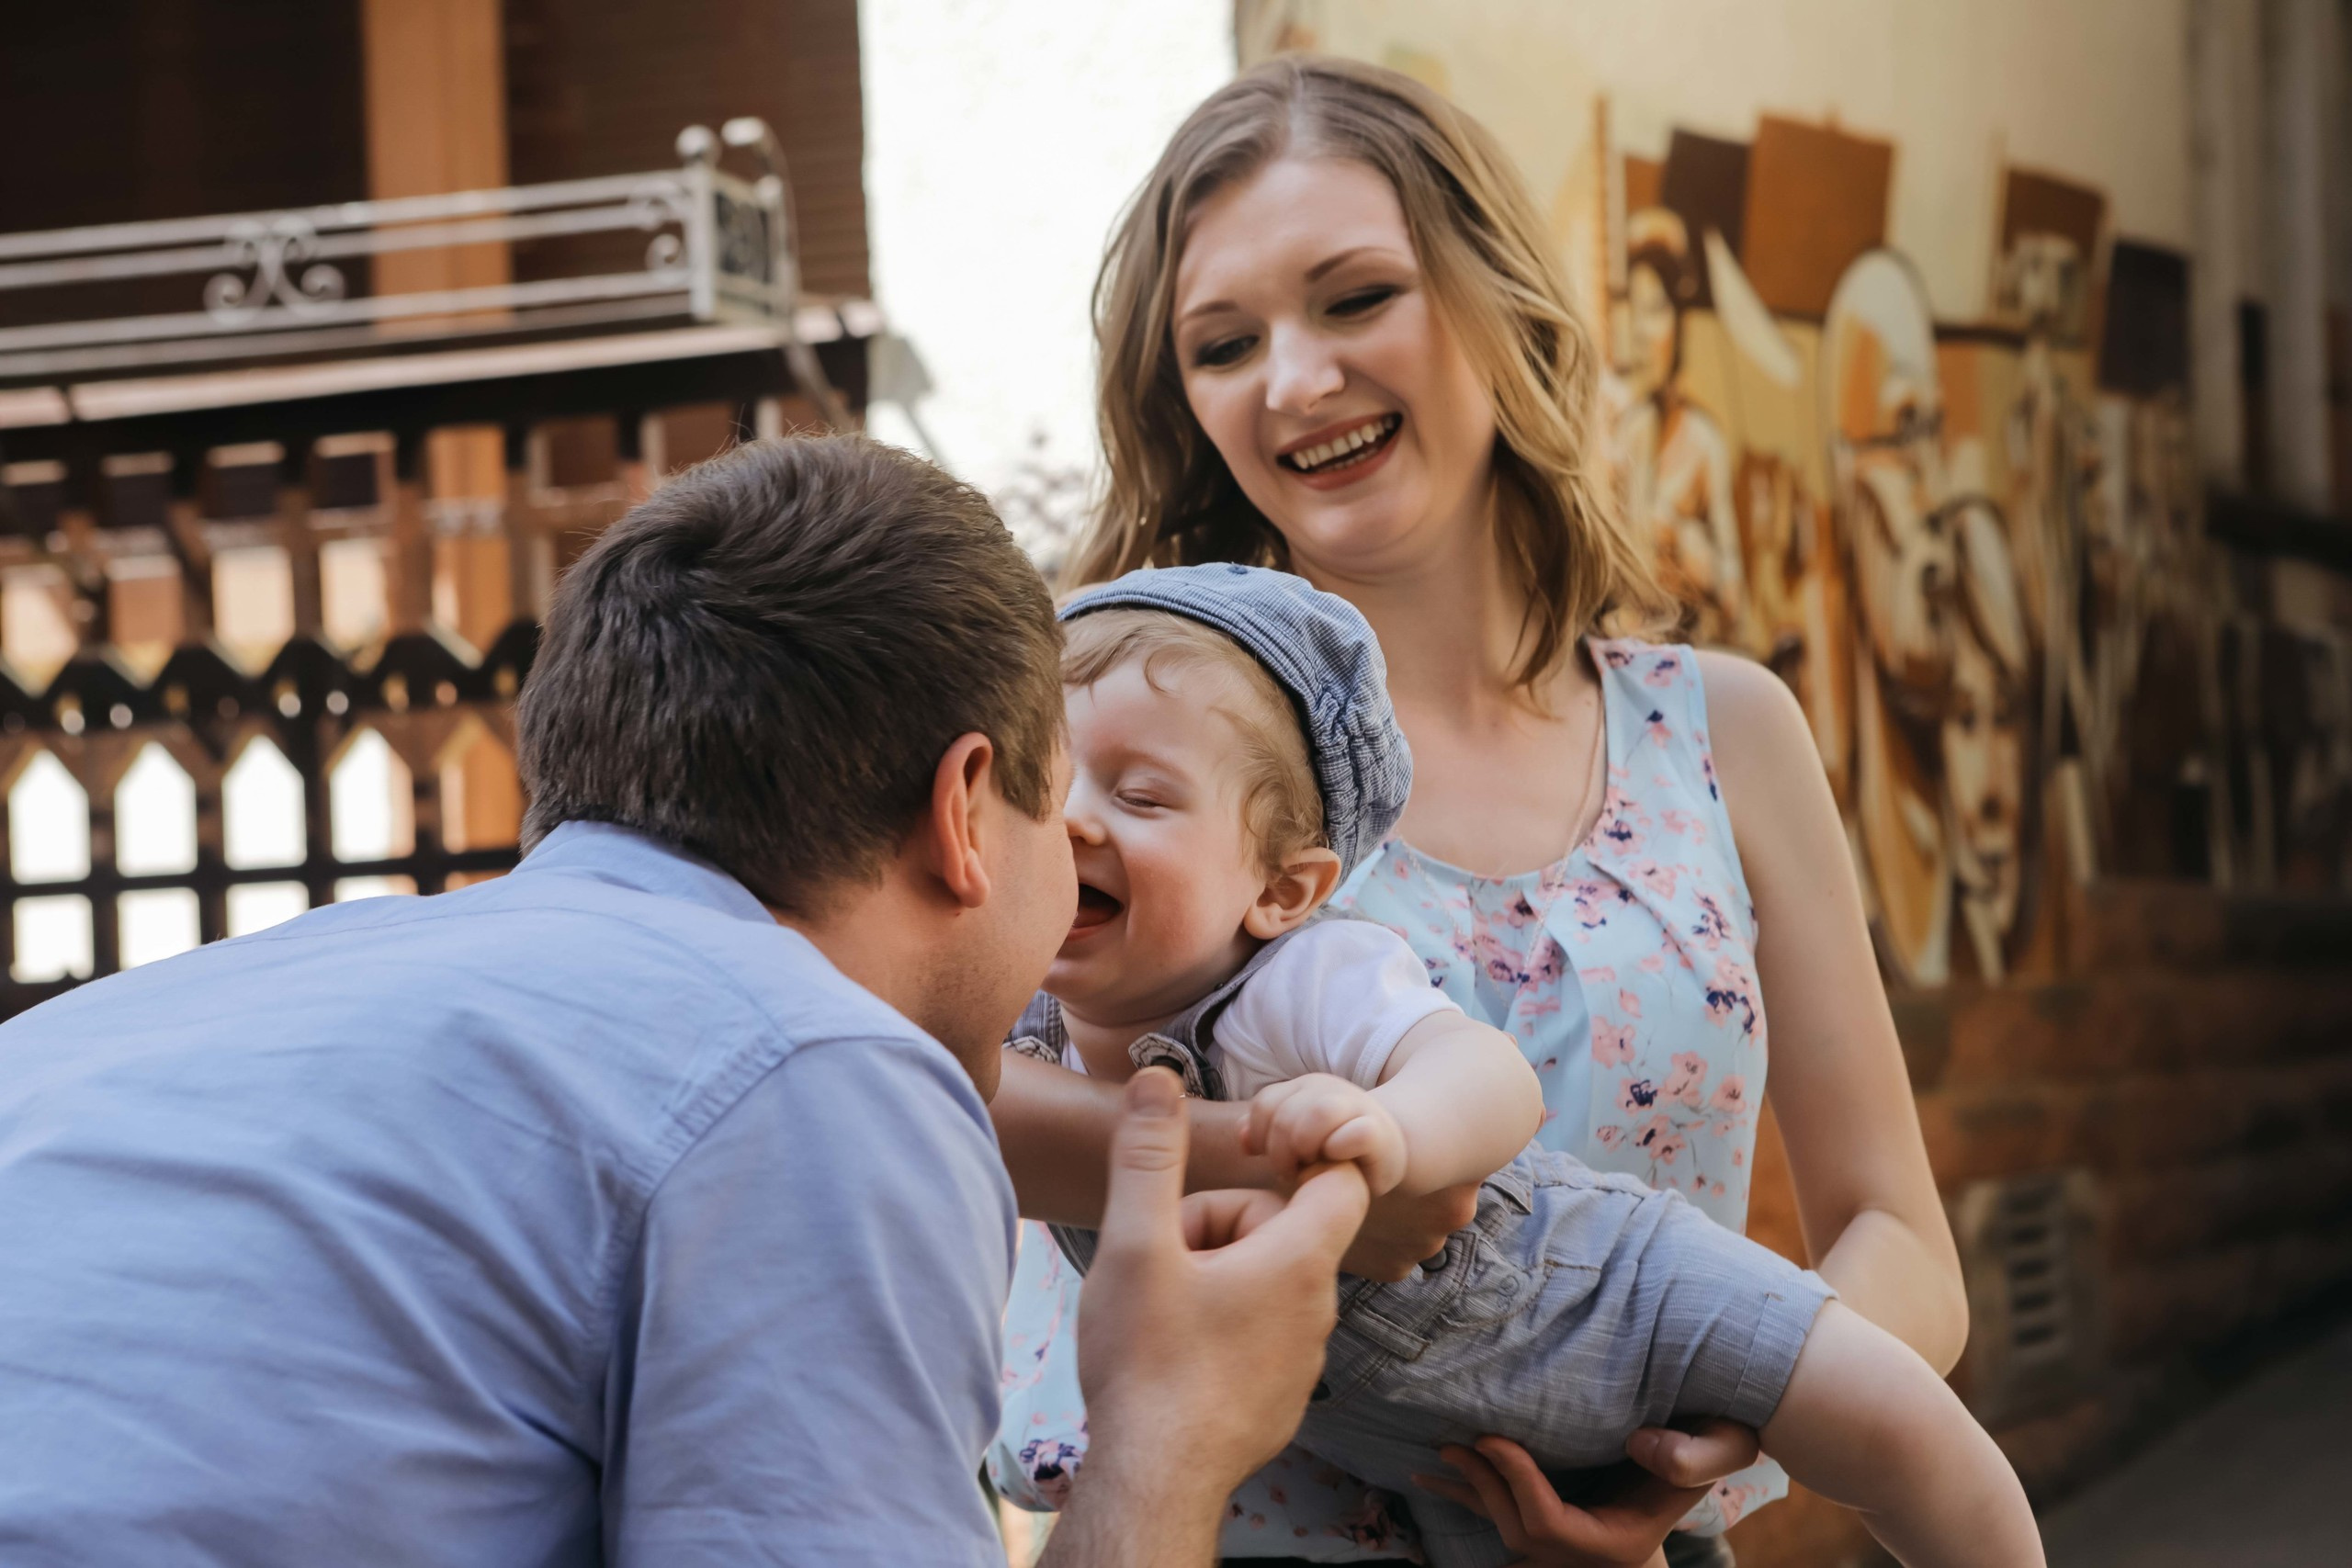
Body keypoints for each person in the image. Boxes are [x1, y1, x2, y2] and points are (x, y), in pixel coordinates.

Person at [0, 434, 1370, 1568]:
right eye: (1052, 792)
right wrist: (1163, 1431)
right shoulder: (816, 1064)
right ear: (964, 809)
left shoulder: (146, 1018)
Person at [991, 56, 1968, 1568]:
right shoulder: (1095, 748)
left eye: (1357, 297)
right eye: (1225, 342)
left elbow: (1903, 1240)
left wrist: (1703, 1440)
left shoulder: (1725, 732)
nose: (1294, 379)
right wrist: (1289, 1155)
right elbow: (961, 1098)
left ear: (1496, 302)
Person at [994, 563, 2037, 1568]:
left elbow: (1488, 1076)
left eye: (1140, 796)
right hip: (1414, 1445)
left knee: (1882, 1414)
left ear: (1280, 890)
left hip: (1585, 1289)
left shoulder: (1300, 976)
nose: (1074, 817)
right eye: (1041, 786)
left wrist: (1392, 1131)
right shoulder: (1018, 1013)